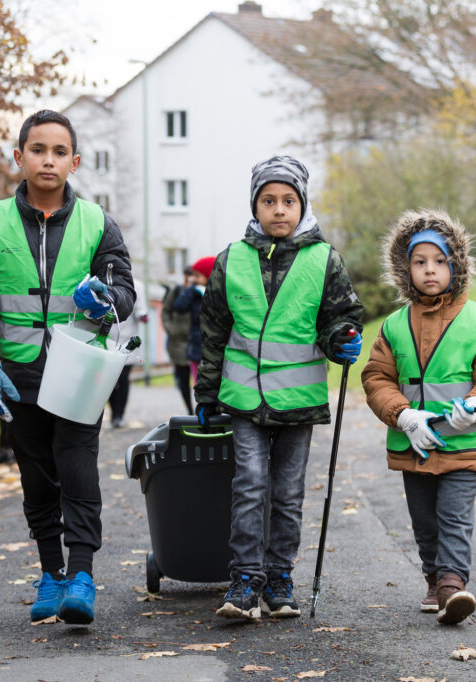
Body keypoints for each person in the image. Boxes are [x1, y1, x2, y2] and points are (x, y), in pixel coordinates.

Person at [0, 110, 135, 626]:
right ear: (19, 157)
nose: (48, 159)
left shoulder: (98, 223)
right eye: (38, 149)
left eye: (60, 152)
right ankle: (51, 574)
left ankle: (82, 576)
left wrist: (106, 302)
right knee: (35, 475)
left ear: (75, 162)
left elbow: (124, 291)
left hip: (78, 372)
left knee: (76, 466)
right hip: (16, 374)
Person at [193, 155, 363, 620]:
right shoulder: (232, 261)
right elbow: (212, 332)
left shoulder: (324, 260)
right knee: (249, 485)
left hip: (299, 402)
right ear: (255, 206)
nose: (279, 209)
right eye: (269, 200)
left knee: (287, 494)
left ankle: (279, 575)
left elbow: (340, 318)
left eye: (289, 200)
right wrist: (207, 394)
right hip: (245, 398)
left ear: (303, 204)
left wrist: (341, 341)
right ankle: (245, 579)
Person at [361, 209, 476, 625]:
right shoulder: (392, 326)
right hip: (415, 444)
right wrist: (403, 416)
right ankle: (433, 578)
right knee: (425, 523)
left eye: (440, 261)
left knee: (454, 517)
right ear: (405, 269)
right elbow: (376, 378)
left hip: (465, 442)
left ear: (455, 266)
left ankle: (452, 586)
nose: (430, 270)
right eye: (420, 262)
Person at [107, 277, 147, 428]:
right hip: (107, 338)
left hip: (127, 339)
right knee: (109, 379)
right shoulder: (104, 282)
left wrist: (143, 315)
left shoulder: (137, 285)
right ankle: (113, 413)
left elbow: (140, 307)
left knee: (123, 378)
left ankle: (119, 415)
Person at [173, 256, 214, 382]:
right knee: (199, 384)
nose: (193, 279)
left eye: (197, 276)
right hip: (196, 346)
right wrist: (191, 290)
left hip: (214, 349)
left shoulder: (217, 293)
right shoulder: (194, 293)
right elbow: (179, 306)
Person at [161, 269, 193, 415]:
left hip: (197, 340)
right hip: (178, 342)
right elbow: (165, 311)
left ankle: (202, 411)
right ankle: (190, 410)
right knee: (183, 378)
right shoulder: (176, 291)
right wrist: (170, 328)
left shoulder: (200, 291)